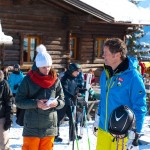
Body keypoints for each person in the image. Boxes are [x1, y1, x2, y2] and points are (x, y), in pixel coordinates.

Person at [96, 38, 147, 150]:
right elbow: (104, 99)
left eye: (105, 53)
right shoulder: (105, 74)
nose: (103, 56)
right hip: (103, 130)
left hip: (122, 134)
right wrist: (97, 118)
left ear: (117, 55)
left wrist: (135, 133)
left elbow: (140, 106)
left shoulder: (133, 76)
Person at [15, 44, 65, 150]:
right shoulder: (28, 80)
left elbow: (62, 101)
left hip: (50, 127)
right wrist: (36, 103)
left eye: (49, 66)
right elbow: (19, 101)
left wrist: (56, 103)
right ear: (38, 66)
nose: (47, 69)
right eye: (44, 67)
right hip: (32, 127)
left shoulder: (56, 80)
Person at [55, 63, 81, 142]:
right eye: (76, 71)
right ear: (72, 70)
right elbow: (64, 91)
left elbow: (75, 88)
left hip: (71, 102)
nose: (78, 73)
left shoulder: (74, 78)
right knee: (58, 119)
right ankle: (55, 135)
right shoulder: (65, 79)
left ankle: (73, 135)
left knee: (74, 119)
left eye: (78, 71)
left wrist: (81, 90)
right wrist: (72, 95)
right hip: (63, 103)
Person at [0, 70, 13, 150]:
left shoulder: (4, 83)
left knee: (4, 145)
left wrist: (9, 119)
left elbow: (9, 102)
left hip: (1, 118)